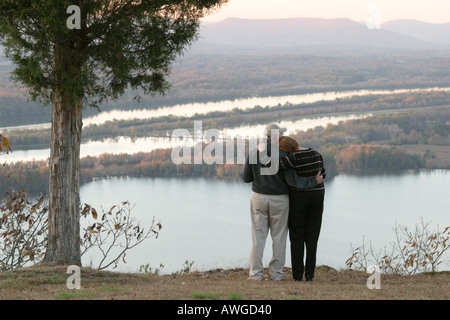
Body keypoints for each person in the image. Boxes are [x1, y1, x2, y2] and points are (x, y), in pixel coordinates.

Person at [240, 123, 289, 281]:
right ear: (277, 136)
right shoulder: (285, 155)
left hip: (259, 197)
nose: (283, 136)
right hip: (280, 199)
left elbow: (246, 178)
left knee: (258, 237)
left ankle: (255, 274)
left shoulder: (254, 153)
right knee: (279, 237)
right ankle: (276, 274)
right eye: (281, 134)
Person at [278, 136, 326, 282]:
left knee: (297, 236)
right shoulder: (316, 153)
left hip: (299, 198)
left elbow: (277, 166)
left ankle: (297, 275)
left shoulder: (293, 158)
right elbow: (323, 173)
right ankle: (310, 275)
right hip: (318, 196)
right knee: (312, 237)